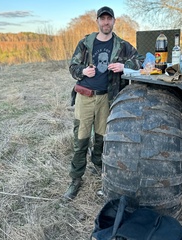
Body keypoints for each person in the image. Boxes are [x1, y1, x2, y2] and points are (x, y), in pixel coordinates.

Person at [64, 6, 144, 200]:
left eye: (109, 19)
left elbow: (143, 61)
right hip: (85, 96)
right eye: (103, 19)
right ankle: (75, 178)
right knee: (81, 139)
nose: (106, 22)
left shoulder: (122, 45)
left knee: (102, 138)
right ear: (98, 21)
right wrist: (83, 71)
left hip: (106, 99)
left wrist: (125, 66)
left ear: (114, 21)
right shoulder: (86, 43)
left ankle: (99, 166)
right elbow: (73, 67)